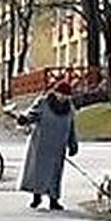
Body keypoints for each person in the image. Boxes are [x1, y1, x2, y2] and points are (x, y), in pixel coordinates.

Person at [17, 80, 80, 211]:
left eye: (66, 95)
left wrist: (73, 144)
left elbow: (71, 127)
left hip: (58, 147)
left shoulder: (69, 109)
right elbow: (32, 114)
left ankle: (54, 200)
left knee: (55, 174)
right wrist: (25, 119)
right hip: (41, 145)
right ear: (55, 92)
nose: (63, 97)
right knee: (38, 172)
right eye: (61, 94)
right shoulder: (43, 103)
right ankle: (37, 197)